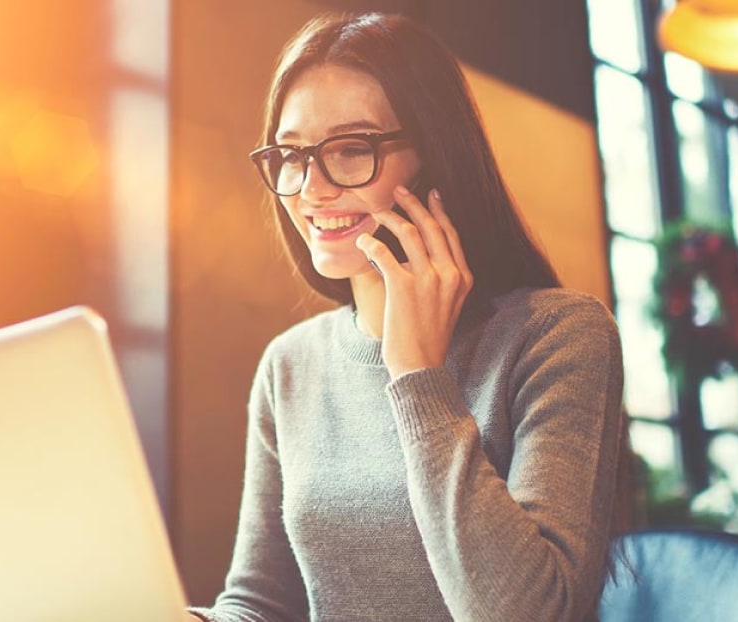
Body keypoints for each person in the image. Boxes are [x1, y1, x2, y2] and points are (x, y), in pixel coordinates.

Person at [188, 11, 626, 622]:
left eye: (349, 149)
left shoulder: (559, 336)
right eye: (291, 155)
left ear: (435, 156)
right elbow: (263, 605)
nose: (312, 187)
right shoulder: (290, 365)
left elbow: (532, 613)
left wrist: (418, 375)